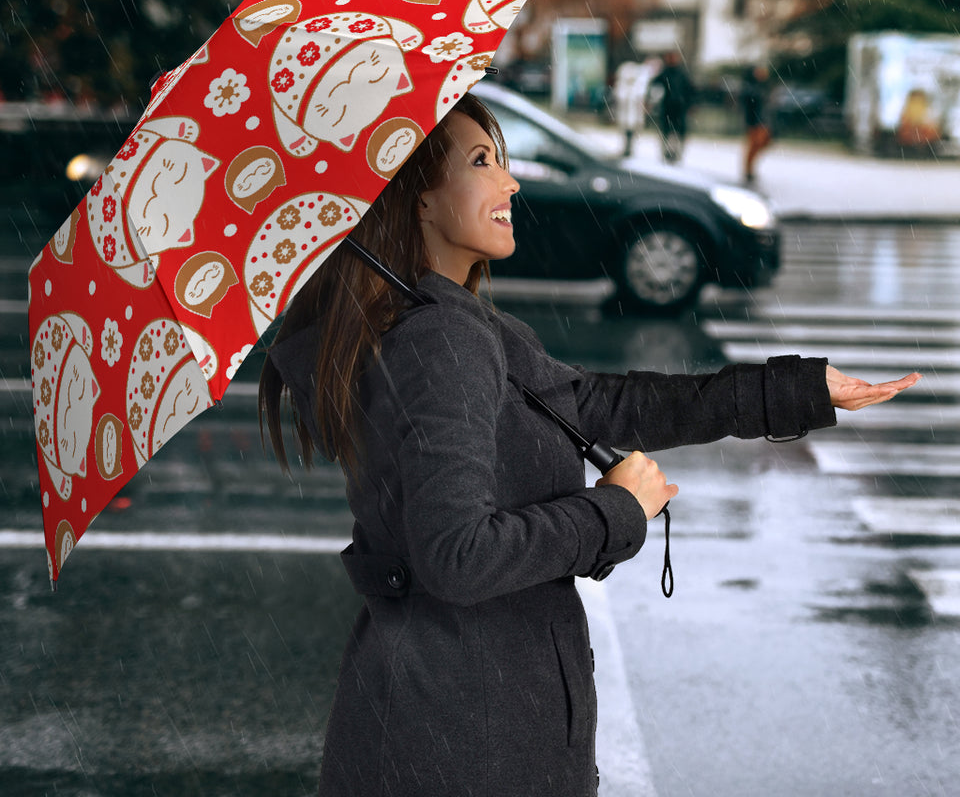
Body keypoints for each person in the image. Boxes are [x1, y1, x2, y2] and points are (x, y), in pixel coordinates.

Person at [259, 92, 919, 797]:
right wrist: (613, 511)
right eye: (482, 162)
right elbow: (456, 556)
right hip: (466, 739)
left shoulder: (452, 325)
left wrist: (796, 390)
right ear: (418, 199)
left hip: (454, 720)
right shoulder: (439, 341)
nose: (510, 182)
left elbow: (604, 405)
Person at [648, 50, 695, 164]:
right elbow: (654, 86)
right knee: (667, 131)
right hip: (668, 107)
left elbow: (690, 90)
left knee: (677, 132)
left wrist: (690, 104)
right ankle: (667, 152)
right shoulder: (665, 73)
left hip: (679, 108)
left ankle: (675, 153)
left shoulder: (681, 74)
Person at [741, 63, 773, 184]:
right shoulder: (751, 87)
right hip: (755, 121)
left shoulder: (763, 86)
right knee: (754, 145)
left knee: (762, 143)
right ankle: (748, 170)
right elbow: (750, 102)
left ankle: (750, 168)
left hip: (763, 120)